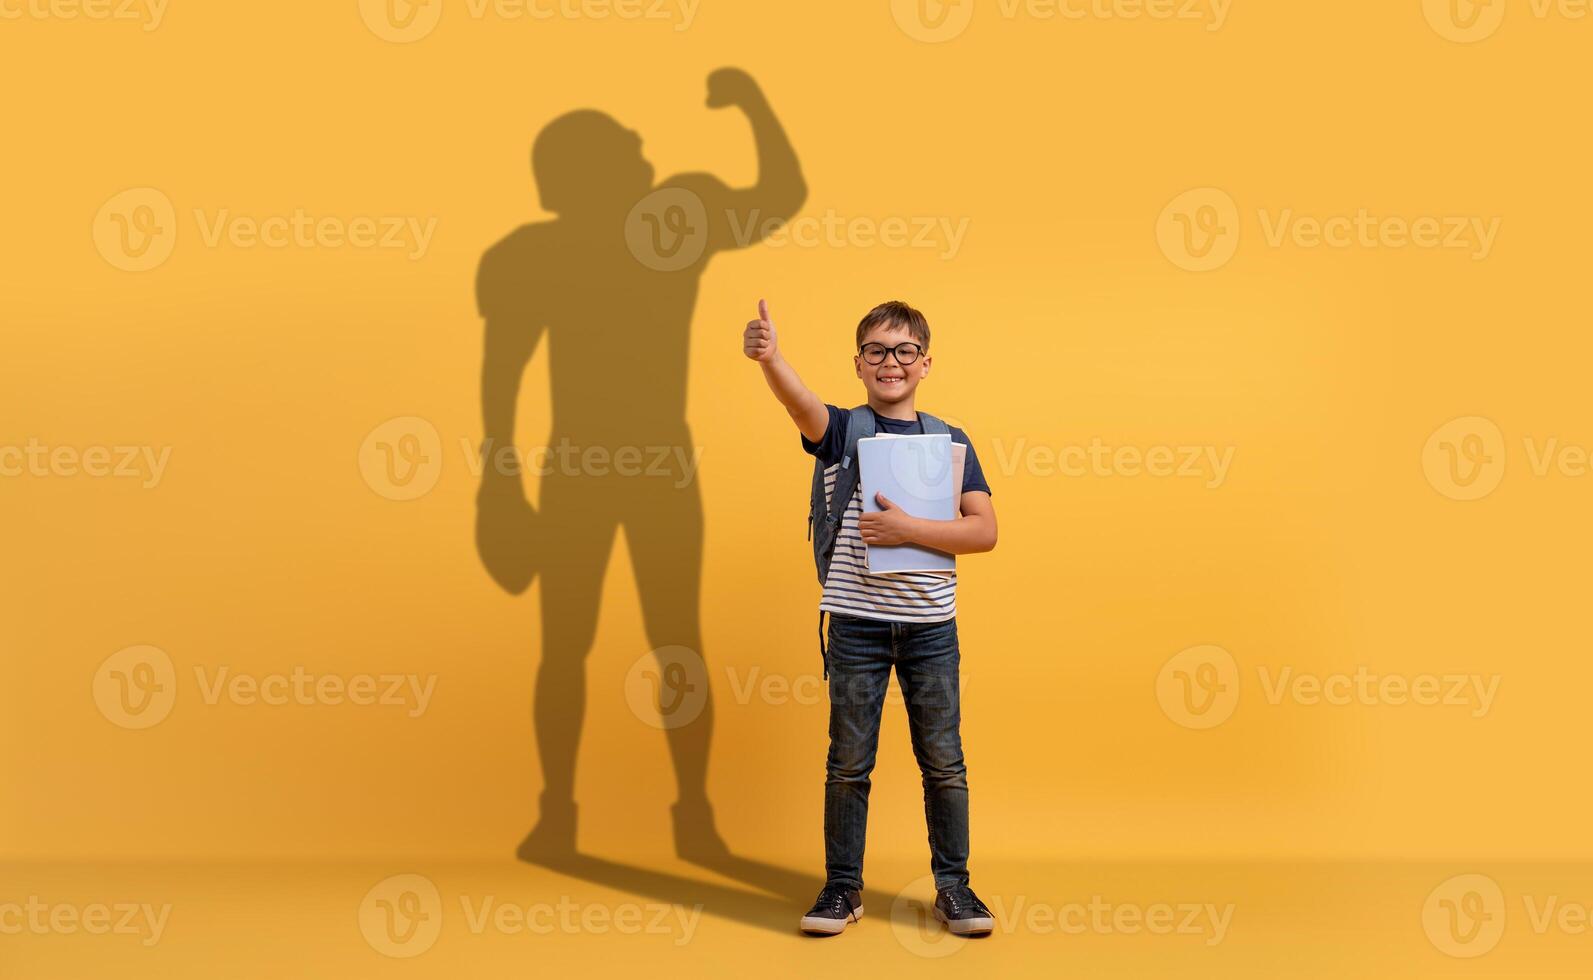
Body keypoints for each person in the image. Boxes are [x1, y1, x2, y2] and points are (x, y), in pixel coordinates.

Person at [477, 69, 805, 863]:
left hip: (611, 465)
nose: (643, 148)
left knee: (609, 644)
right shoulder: (657, 221)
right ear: (587, 170)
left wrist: (500, 477)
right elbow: (506, 366)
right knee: (632, 644)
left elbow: (503, 372)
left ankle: (651, 815)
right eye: (626, 146)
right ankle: (615, 816)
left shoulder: (642, 223)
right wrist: (752, 104)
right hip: (632, 464)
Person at [742, 298, 999, 937]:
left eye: (904, 351)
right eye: (877, 352)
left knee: (944, 760)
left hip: (931, 628)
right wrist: (772, 359)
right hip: (856, 624)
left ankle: (955, 889)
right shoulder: (842, 430)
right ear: (859, 363)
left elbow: (985, 531)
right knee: (848, 761)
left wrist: (905, 527)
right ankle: (842, 889)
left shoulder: (951, 441)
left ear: (925, 363)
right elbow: (797, 401)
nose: (891, 362)